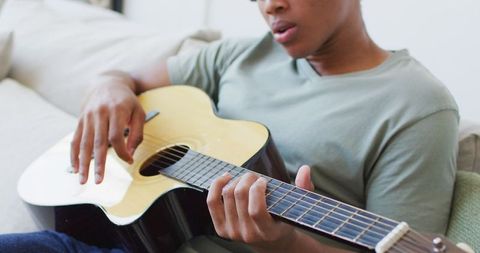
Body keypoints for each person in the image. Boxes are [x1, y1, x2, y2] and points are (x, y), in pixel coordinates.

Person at [0, 0, 459, 252]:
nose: (269, 6)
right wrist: (107, 87)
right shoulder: (239, 54)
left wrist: (285, 244)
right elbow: (126, 76)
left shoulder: (417, 106)